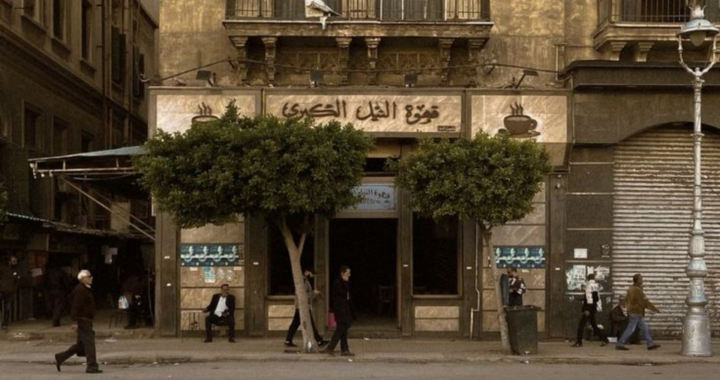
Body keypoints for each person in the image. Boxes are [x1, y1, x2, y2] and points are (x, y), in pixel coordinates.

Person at [54, 270, 102, 374]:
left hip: (86, 319)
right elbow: (76, 306)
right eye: (89, 276)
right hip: (83, 320)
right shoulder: (80, 290)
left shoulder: (85, 289)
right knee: (89, 344)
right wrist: (75, 321)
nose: (91, 278)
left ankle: (61, 357)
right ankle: (92, 366)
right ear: (82, 278)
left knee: (81, 346)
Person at [616, 273, 661, 351]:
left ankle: (650, 344)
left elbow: (628, 300)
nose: (642, 280)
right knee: (631, 329)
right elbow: (644, 301)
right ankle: (620, 343)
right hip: (635, 312)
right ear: (637, 280)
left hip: (635, 312)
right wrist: (654, 309)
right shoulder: (637, 290)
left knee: (645, 328)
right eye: (641, 279)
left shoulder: (632, 289)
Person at [284, 268, 326, 348]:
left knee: (295, 324)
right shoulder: (303, 281)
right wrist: (314, 293)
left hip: (301, 306)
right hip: (302, 306)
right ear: (307, 272)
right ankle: (319, 340)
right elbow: (302, 294)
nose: (312, 276)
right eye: (311, 273)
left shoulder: (304, 280)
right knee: (309, 323)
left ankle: (288, 340)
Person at [322, 265, 355, 356]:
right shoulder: (338, 283)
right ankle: (330, 348)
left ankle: (345, 350)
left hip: (346, 310)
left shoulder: (346, 283)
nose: (349, 275)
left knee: (344, 331)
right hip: (341, 311)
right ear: (342, 273)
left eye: (349, 273)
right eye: (347, 273)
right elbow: (340, 296)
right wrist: (345, 283)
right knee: (340, 330)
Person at [572, 273, 609, 347]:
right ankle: (604, 339)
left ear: (588, 278)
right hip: (593, 307)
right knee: (594, 325)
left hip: (589, 308)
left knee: (581, 325)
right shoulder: (596, 286)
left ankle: (579, 342)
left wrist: (587, 309)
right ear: (594, 278)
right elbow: (595, 298)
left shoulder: (589, 286)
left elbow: (589, 298)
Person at [0, 255, 20, 330]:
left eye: (16, 261)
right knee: (4, 308)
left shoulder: (16, 270)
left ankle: (5, 323)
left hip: (10, 291)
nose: (15, 263)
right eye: (13, 261)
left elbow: (17, 281)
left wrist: (14, 289)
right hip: (2, 290)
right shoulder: (3, 269)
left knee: (7, 308)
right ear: (9, 262)